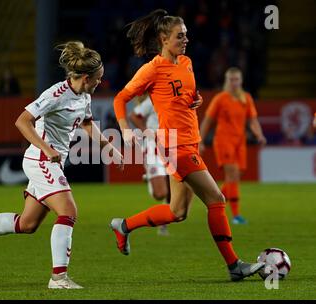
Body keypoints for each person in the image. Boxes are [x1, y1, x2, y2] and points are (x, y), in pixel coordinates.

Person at [0, 41, 123, 289]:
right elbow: (22, 121)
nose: (99, 83)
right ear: (85, 77)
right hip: (41, 160)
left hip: (51, 163)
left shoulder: (83, 95)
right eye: (97, 79)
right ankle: (58, 278)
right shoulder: (55, 94)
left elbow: (85, 123)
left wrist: (108, 146)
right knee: (68, 212)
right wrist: (47, 149)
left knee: (26, 224)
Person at [111, 9, 264, 281]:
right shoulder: (152, 69)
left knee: (177, 212)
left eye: (186, 35)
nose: (186, 40)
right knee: (217, 199)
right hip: (173, 145)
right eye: (180, 36)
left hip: (189, 142)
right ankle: (234, 266)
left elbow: (187, 94)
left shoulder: (187, 62)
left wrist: (196, 101)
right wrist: (125, 130)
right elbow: (120, 99)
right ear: (163, 38)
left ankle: (123, 226)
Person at [199, 67, 267, 224]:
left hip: (239, 142)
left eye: (237, 79)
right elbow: (208, 121)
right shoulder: (220, 99)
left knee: (235, 176)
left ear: (241, 81)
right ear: (226, 81)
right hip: (223, 141)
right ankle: (236, 216)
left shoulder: (246, 98)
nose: (234, 83)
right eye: (231, 79)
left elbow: (252, 120)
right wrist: (200, 141)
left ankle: (214, 202)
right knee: (232, 174)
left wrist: (259, 134)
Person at [129, 93, 170, 236]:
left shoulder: (172, 97)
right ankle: (151, 178)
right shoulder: (154, 99)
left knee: (171, 188)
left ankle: (163, 225)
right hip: (154, 146)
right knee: (160, 194)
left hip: (171, 144)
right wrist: (148, 132)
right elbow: (133, 115)